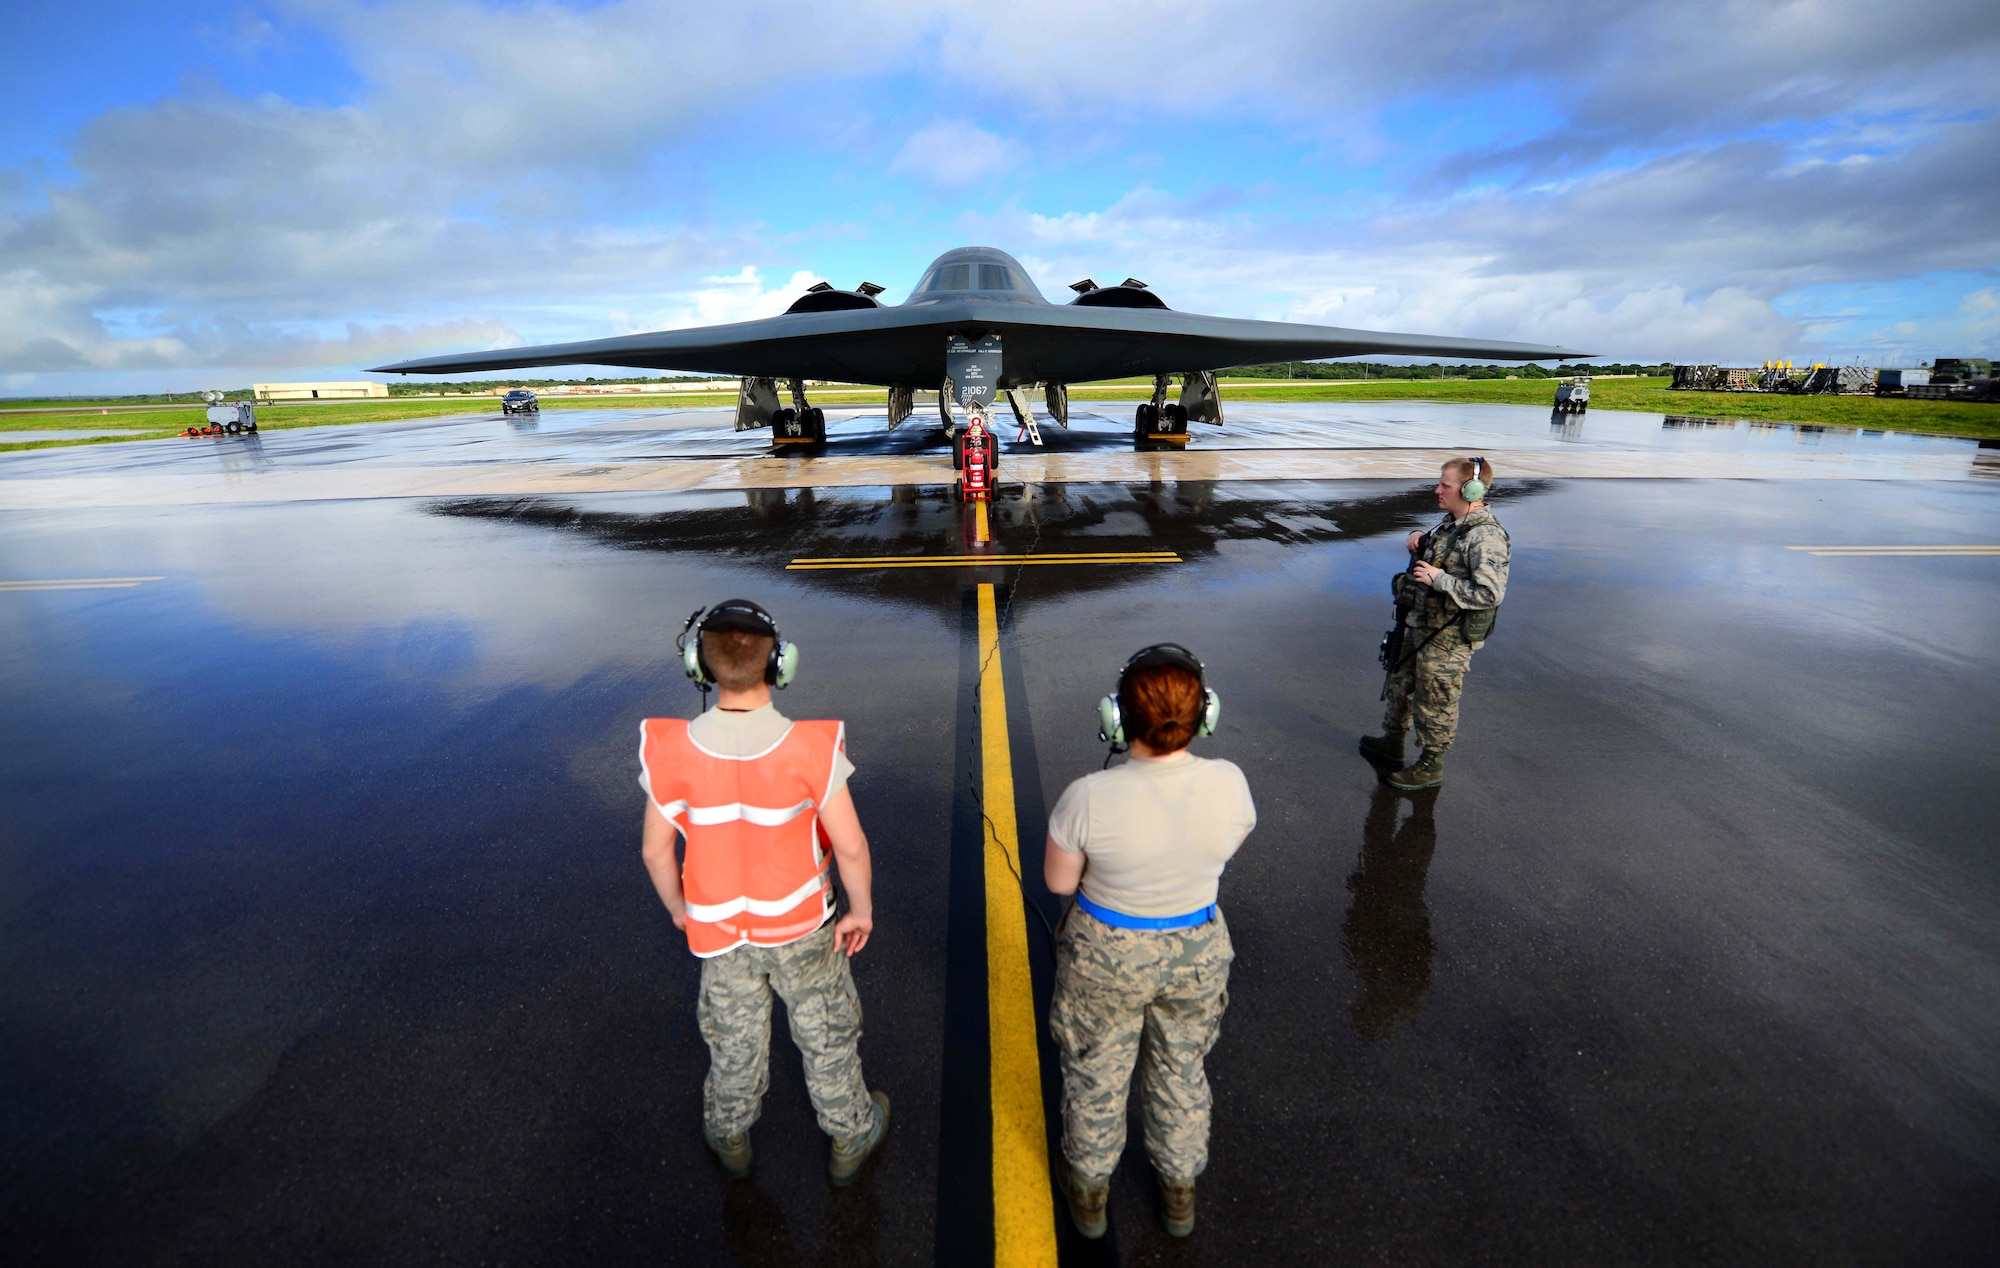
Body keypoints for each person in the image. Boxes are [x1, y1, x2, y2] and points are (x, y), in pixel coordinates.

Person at [637, 599, 889, 1186]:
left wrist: (680, 912)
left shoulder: (670, 749)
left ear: (700, 667)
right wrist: (862, 911)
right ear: (780, 665)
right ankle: (852, 1133)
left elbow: (655, 851)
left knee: (733, 1038)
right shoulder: (810, 749)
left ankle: (730, 1135)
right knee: (826, 1033)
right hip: (801, 927)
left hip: (719, 936)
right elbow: (850, 847)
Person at [1042, 645, 1256, 1240]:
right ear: (1204, 715)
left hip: (1105, 953)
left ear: (1117, 718)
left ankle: (1088, 1194)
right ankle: (1178, 1193)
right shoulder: (1230, 783)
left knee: (1095, 1071)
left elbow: (1059, 882)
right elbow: (1224, 852)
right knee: (1181, 1067)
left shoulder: (1087, 795)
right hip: (1195, 949)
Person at [1363, 456, 1512, 790]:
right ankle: (1393, 741)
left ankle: (1431, 764)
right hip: (1419, 625)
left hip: (1447, 637)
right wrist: (1419, 537)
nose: (1437, 490)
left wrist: (1440, 580)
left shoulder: (1486, 536)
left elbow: (1489, 593)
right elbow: (1439, 552)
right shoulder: (1449, 525)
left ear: (1471, 489)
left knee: (1436, 697)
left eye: (1445, 485)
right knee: (1401, 683)